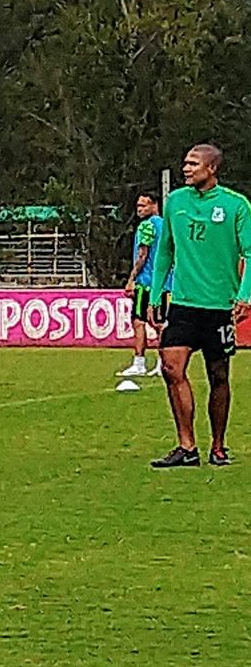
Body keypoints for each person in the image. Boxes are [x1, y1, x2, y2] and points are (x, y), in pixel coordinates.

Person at [147, 144, 251, 468]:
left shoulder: (237, 205)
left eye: (194, 163)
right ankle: (186, 445)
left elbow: (249, 253)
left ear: (212, 168)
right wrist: (154, 295)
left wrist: (245, 295)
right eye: (185, 163)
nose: (187, 168)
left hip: (219, 305)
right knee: (171, 367)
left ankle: (218, 446)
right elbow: (165, 251)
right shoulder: (175, 202)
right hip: (183, 303)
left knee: (218, 376)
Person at [120, 192, 166, 378]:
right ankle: (163, 362)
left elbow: (142, 255)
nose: (139, 209)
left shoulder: (147, 226)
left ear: (154, 205)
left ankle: (140, 362)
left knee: (140, 322)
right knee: (159, 322)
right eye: (138, 206)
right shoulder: (166, 225)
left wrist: (131, 279)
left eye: (143, 206)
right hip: (163, 283)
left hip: (146, 282)